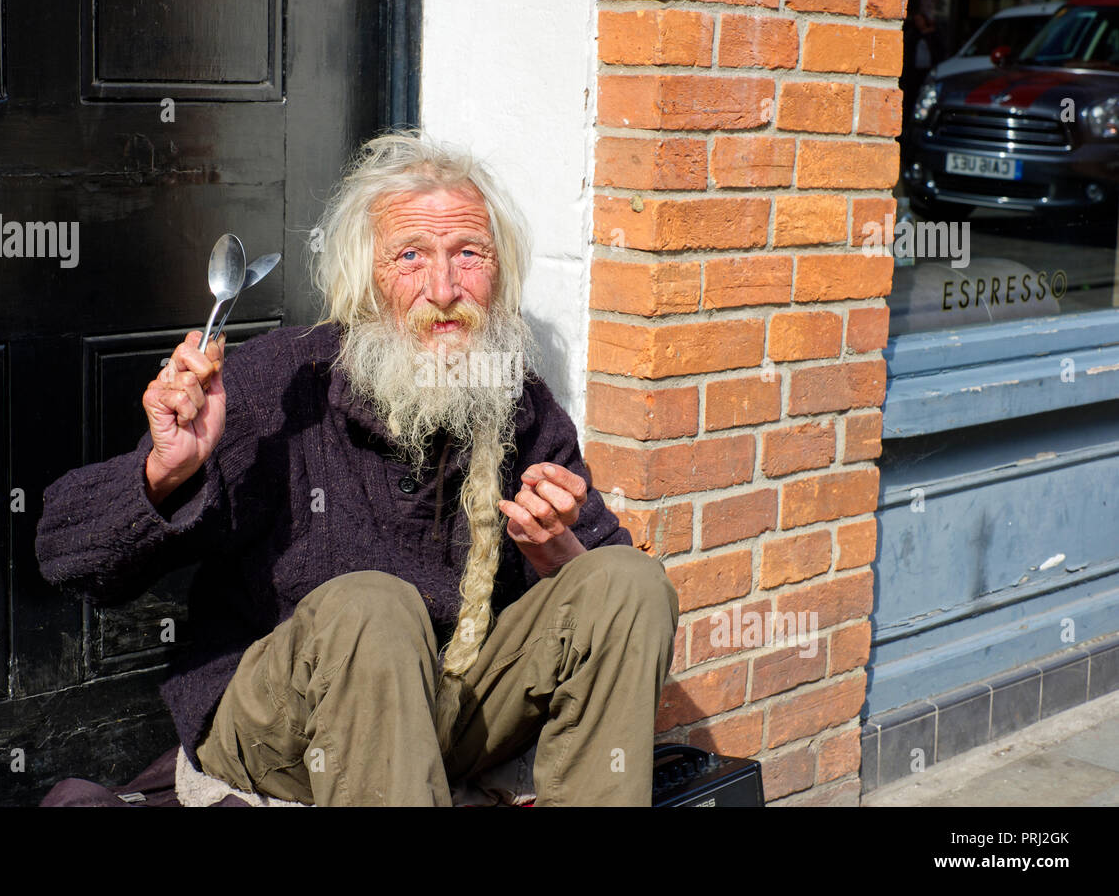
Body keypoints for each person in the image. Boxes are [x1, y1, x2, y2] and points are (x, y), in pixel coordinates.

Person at [34, 130, 679, 806]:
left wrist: (560, 553)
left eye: (468, 254)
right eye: (411, 256)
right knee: (373, 606)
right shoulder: (278, 383)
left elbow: (602, 596)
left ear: (499, 271)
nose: (444, 287)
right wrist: (164, 472)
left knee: (629, 583)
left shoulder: (519, 404)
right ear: (364, 280)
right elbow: (64, 554)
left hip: (447, 716)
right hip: (283, 729)